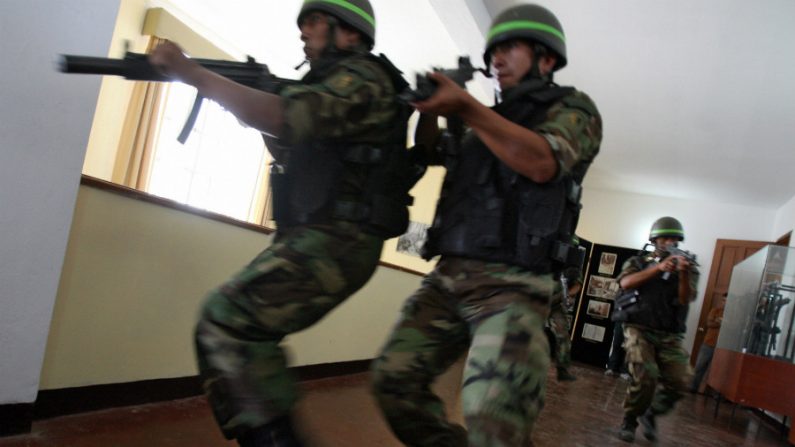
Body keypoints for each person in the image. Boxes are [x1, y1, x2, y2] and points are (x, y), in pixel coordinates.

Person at [149, 1, 414, 445]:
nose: (303, 31)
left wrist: (195, 74)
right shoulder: (332, 83)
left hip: (339, 240)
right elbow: (292, 147)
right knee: (238, 326)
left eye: (314, 21)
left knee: (227, 318)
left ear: (349, 33)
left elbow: (285, 116)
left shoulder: (363, 77)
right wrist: (238, 101)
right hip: (319, 236)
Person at [370, 4, 602, 446]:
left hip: (515, 286)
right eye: (493, 49)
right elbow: (431, 150)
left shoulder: (572, 109)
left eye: (510, 47)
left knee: (493, 417)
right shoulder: (478, 127)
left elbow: (541, 162)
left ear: (546, 58)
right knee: (392, 381)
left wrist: (466, 106)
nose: (496, 58)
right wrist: (433, 110)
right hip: (448, 278)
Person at [613, 217, 700, 443]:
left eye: (674, 238)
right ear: (655, 239)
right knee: (645, 376)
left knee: (682, 380)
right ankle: (630, 420)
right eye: (665, 237)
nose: (669, 242)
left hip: (668, 334)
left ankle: (652, 413)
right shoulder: (639, 261)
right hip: (639, 328)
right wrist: (659, 268)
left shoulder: (687, 266)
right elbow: (626, 283)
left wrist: (683, 274)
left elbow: (685, 298)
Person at [548, 267, 583, 381]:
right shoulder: (556, 283)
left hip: (555, 306)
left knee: (563, 336)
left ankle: (562, 370)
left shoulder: (567, 287)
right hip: (542, 301)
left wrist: (568, 297)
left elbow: (567, 300)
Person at [689, 292, 727, 393]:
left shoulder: (732, 314)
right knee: (700, 366)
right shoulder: (715, 311)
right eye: (723, 300)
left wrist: (721, 322)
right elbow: (709, 323)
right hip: (708, 344)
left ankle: (708, 392)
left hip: (722, 347)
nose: (725, 302)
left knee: (715, 371)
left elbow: (732, 327)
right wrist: (722, 323)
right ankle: (693, 387)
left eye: (727, 300)